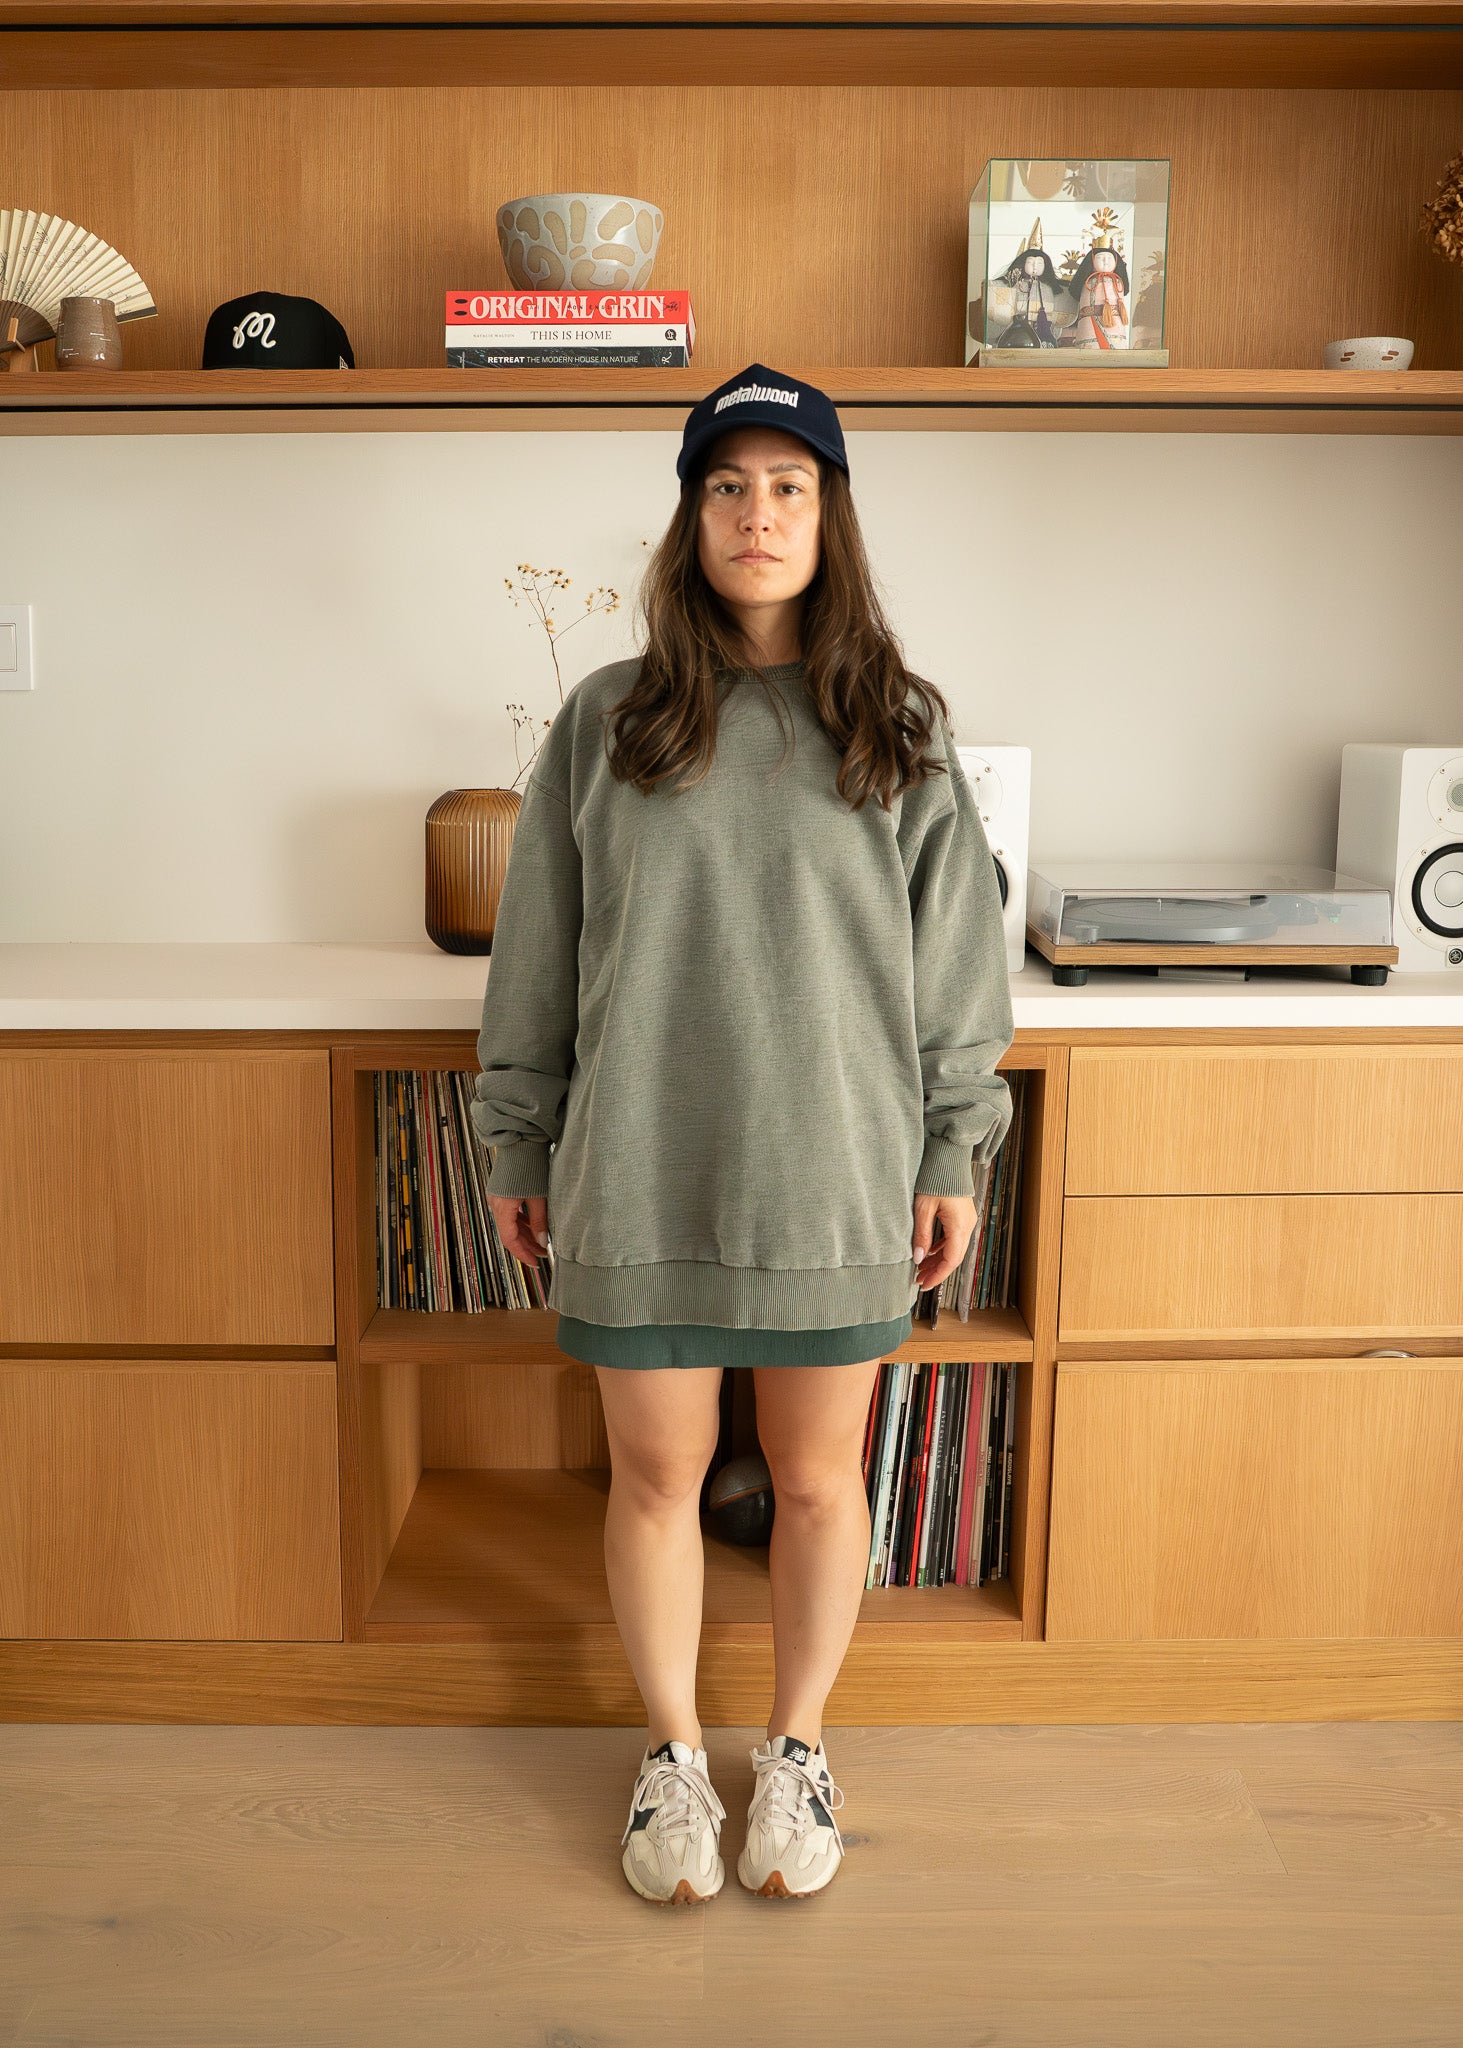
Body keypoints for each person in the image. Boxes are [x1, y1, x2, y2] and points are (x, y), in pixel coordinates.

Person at [470, 361, 1014, 1906]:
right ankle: (667, 1756)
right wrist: (520, 1141)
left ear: (829, 514)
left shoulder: (897, 727)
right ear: (691, 516)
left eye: (788, 486)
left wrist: (948, 1147)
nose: (757, 514)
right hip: (642, 1156)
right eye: (728, 486)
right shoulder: (607, 720)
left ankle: (795, 1749)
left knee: (821, 1481)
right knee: (654, 1483)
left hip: (834, 1165)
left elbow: (957, 970)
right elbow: (539, 955)